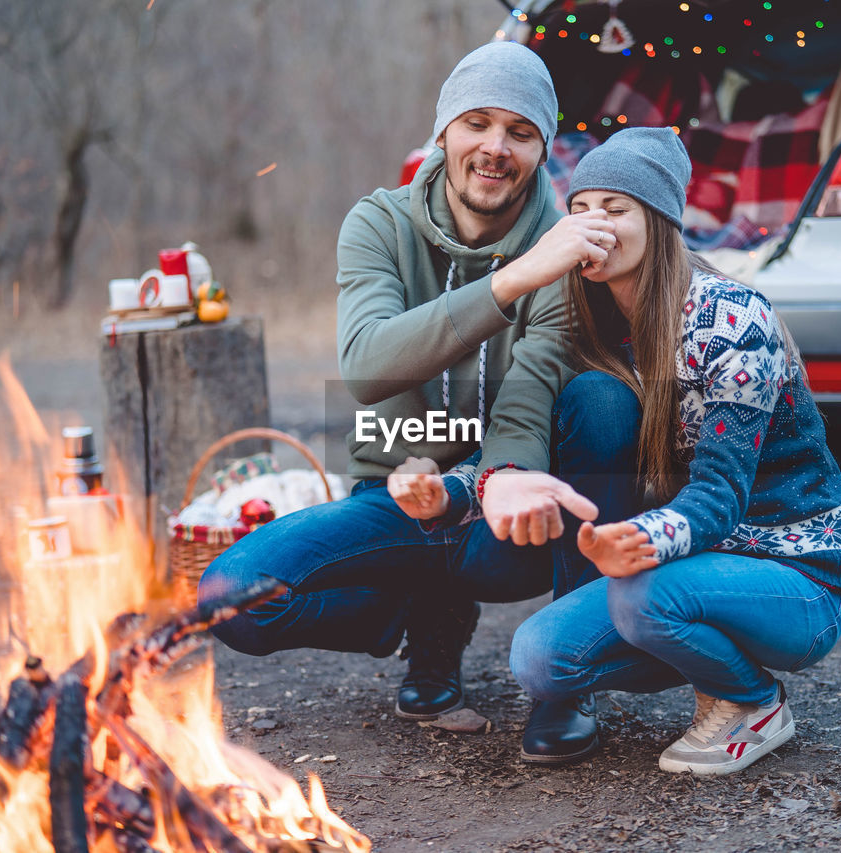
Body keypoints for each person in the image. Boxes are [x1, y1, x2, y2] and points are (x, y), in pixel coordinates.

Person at [199, 42, 633, 763]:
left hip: (498, 515)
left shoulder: (562, 258)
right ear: (443, 133)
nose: (496, 147)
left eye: (520, 132)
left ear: (541, 150)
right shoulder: (378, 224)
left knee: (602, 400)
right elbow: (368, 366)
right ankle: (404, 609)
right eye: (477, 123)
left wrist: (466, 490)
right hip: (396, 495)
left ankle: (567, 680)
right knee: (230, 596)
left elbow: (526, 410)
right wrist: (512, 281)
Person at [494, 126, 841, 775]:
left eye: (615, 208)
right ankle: (706, 657)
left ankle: (753, 701)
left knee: (640, 597)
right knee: (539, 658)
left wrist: (636, 537)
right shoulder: (593, 322)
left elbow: (719, 498)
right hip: (692, 567)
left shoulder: (730, 318)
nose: (592, 222)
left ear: (659, 221)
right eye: (579, 208)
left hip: (798, 575)